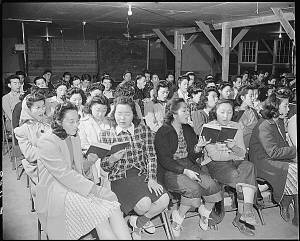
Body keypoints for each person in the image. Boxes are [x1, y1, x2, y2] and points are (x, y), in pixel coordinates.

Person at [36, 101, 131, 239]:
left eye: (77, 121)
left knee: (113, 207)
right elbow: (65, 175)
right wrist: (96, 189)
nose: (76, 125)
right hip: (56, 191)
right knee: (100, 215)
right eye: (71, 122)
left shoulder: (74, 136)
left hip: (75, 186)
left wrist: (90, 160)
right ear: (58, 121)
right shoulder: (47, 141)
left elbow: (79, 170)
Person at [98, 96, 170, 239]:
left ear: (134, 115)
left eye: (127, 114)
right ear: (113, 114)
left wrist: (151, 178)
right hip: (120, 178)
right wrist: (112, 159)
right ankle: (137, 221)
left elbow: (151, 156)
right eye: (119, 113)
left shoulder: (144, 130)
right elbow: (103, 166)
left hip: (142, 175)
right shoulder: (106, 135)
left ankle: (138, 223)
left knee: (164, 200)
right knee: (144, 204)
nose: (122, 118)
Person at [154, 98, 222, 237]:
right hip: (170, 170)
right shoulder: (163, 132)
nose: (188, 113)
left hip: (188, 164)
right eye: (184, 110)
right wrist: (185, 171)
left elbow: (192, 153)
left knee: (213, 187)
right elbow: (164, 160)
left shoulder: (187, 128)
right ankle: (178, 218)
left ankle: (205, 212)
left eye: (188, 110)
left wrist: (198, 147)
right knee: (194, 191)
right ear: (174, 114)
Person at [203, 99, 259, 236]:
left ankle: (246, 212)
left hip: (232, 161)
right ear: (215, 112)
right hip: (214, 164)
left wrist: (233, 147)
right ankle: (242, 217)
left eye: (229, 112)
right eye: (222, 112)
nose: (225, 115)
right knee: (239, 176)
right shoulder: (209, 127)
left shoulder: (236, 126)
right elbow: (215, 156)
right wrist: (233, 154)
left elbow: (242, 153)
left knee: (249, 166)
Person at [249, 91, 298, 226]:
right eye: (285, 106)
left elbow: (282, 146)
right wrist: (295, 152)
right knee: (294, 171)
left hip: (273, 158)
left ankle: (287, 202)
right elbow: (274, 152)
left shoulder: (279, 121)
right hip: (262, 161)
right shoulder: (264, 124)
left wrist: (293, 154)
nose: (288, 109)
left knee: (295, 169)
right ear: (275, 107)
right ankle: (285, 201)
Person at [14, 90, 51, 184]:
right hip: (37, 167)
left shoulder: (49, 123)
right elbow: (30, 155)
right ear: (28, 109)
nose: (42, 110)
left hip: (55, 163)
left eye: (43, 107)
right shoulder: (22, 130)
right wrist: (52, 151)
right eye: (37, 107)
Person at [233, 85, 260, 149]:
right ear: (243, 98)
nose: (254, 98)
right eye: (251, 96)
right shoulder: (236, 113)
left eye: (254, 95)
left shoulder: (253, 111)